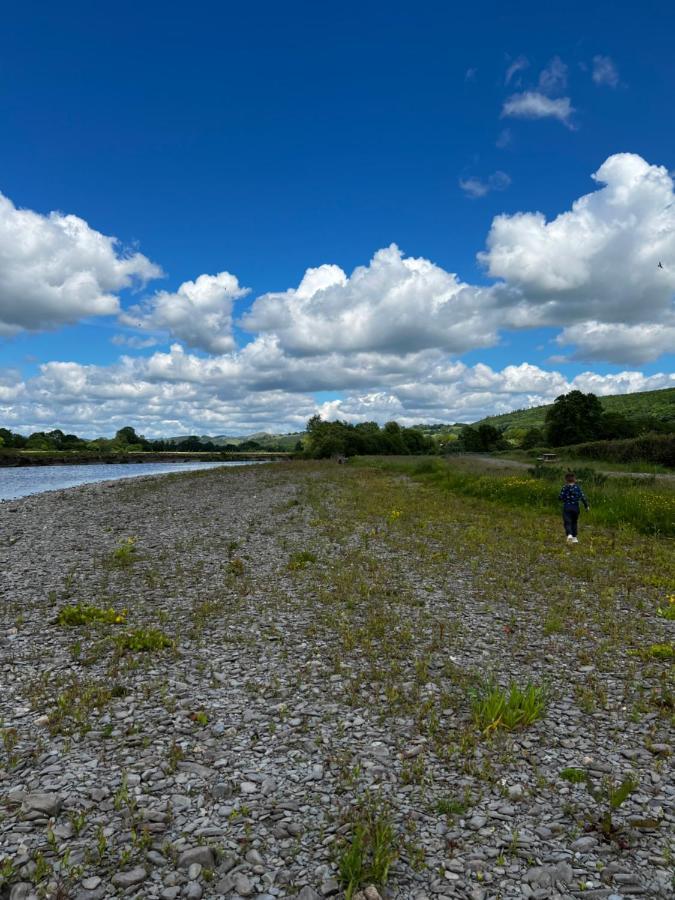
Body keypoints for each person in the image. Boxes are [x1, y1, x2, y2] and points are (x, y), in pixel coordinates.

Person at [559, 472, 589, 543]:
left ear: (566, 480)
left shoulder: (565, 487)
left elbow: (560, 497)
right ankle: (575, 537)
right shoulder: (578, 488)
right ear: (574, 479)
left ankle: (569, 535)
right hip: (576, 508)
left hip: (567, 507)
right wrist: (586, 506)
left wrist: (564, 499)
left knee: (567, 522)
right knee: (574, 522)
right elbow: (583, 497)